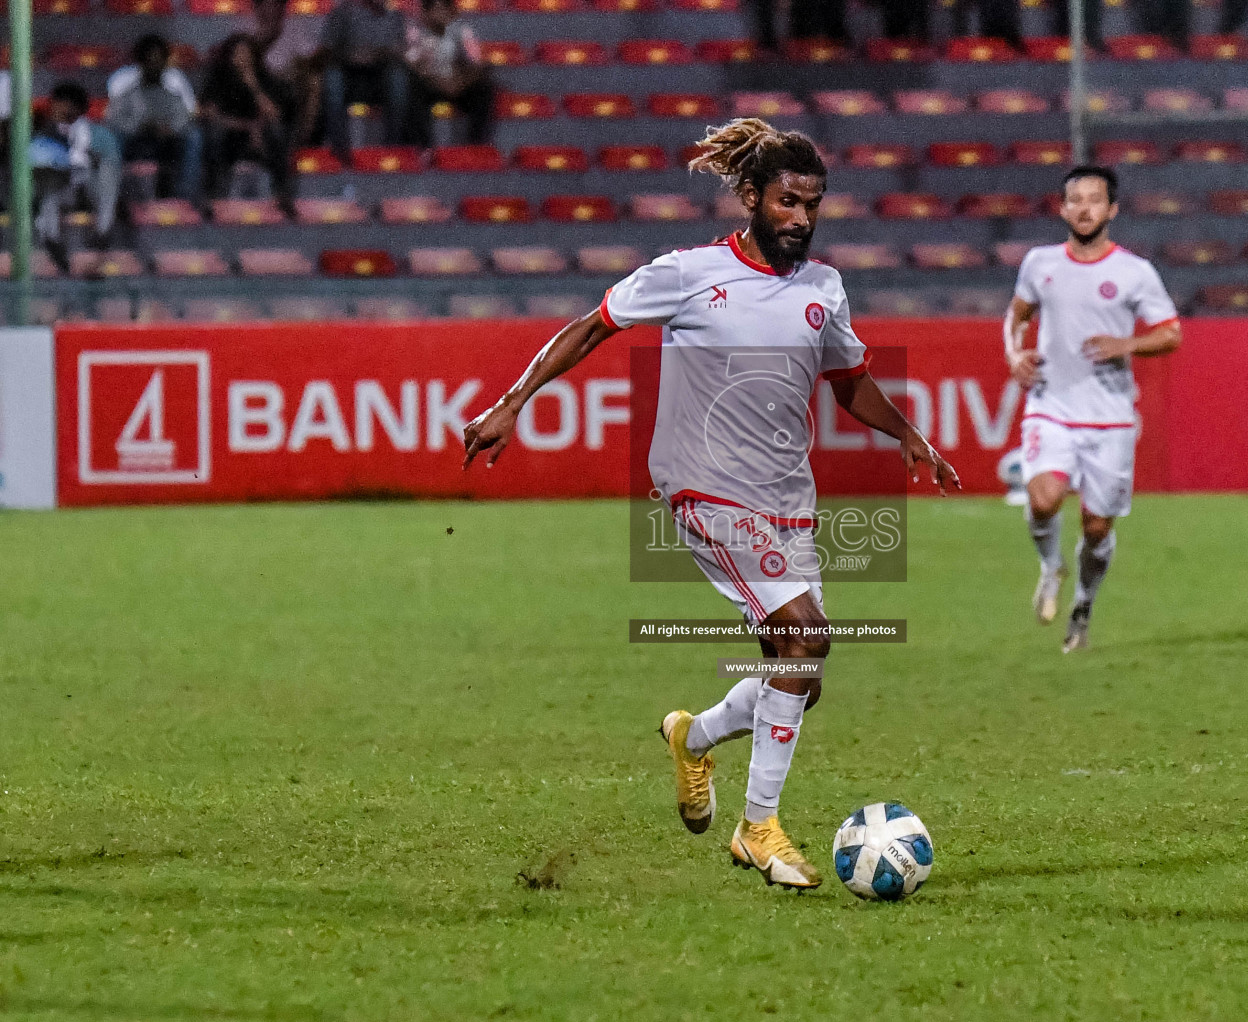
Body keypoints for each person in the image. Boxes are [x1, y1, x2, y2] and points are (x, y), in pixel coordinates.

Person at [461, 119, 959, 890]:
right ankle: (758, 829)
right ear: (752, 197)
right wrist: (512, 401)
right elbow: (592, 327)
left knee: (802, 673)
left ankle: (695, 736)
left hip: (786, 496)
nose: (801, 217)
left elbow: (848, 377)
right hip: (704, 485)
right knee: (805, 638)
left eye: (813, 205)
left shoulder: (824, 288)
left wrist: (909, 434)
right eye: (788, 202)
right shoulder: (688, 272)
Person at [1003, 166, 1182, 653]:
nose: (1083, 208)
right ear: (1062, 209)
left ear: (1112, 209)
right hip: (1050, 405)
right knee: (1042, 501)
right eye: (1074, 200)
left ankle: (1083, 603)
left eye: (1094, 200)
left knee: (1097, 526)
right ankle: (1050, 565)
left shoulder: (1134, 272)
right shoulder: (1040, 263)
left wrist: (1127, 342)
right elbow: (1016, 317)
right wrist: (1015, 355)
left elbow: (1170, 333)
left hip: (1110, 418)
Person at [34, 81, 124, 272]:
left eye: (65, 103)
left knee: (107, 171)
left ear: (78, 108)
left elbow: (113, 167)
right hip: (61, 190)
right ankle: (52, 240)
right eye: (57, 103)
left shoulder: (100, 134)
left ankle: (103, 231)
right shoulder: (42, 133)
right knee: (49, 185)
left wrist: (93, 158)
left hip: (92, 188)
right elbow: (34, 162)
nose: (59, 108)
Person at [201, 34, 296, 211]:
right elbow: (210, 114)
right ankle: (213, 195)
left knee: (277, 131)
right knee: (214, 133)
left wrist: (253, 85)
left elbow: (273, 114)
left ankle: (282, 193)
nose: (242, 58)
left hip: (260, 137)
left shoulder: (262, 78)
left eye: (246, 54)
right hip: (230, 136)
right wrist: (248, 127)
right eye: (238, 54)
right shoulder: (219, 79)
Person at [105, 34, 203, 202]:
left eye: (158, 60)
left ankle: (185, 198)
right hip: (134, 142)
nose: (154, 65)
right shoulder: (127, 94)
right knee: (112, 138)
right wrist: (140, 126)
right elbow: (114, 121)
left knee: (194, 136)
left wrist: (169, 129)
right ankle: (112, 196)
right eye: (150, 60)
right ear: (141, 63)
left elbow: (184, 119)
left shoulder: (172, 95)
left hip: (166, 143)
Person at [317, 0, 409, 158]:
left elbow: (400, 51)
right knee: (332, 78)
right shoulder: (343, 11)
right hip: (349, 74)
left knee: (399, 78)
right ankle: (340, 148)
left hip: (380, 75)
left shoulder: (394, 15)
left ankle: (394, 146)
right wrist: (351, 55)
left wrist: (377, 53)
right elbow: (326, 49)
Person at [404, 0, 492, 146]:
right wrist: (438, 81)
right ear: (426, 13)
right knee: (412, 87)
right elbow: (413, 64)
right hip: (430, 85)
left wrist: (459, 83)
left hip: (458, 85)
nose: (440, 14)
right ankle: (424, 147)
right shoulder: (416, 33)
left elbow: (476, 64)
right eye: (436, 9)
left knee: (484, 88)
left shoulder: (463, 31)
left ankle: (476, 145)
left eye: (444, 9)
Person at [251, 0, 323, 146]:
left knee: (313, 82)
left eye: (276, 5)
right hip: (257, 89)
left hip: (288, 90)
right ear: (258, 8)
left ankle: (303, 139)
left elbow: (309, 60)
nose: (272, 10)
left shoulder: (294, 30)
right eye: (268, 5)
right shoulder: (246, 31)